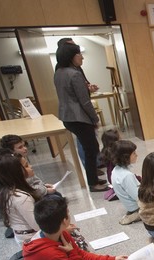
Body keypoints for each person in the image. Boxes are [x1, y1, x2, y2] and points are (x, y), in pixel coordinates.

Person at [54, 42, 107, 192]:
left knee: (89, 147)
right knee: (91, 149)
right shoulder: (75, 74)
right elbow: (84, 101)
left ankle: (93, 179)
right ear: (72, 57)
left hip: (67, 116)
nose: (82, 57)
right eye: (79, 54)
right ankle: (93, 183)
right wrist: (95, 118)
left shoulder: (59, 72)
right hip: (79, 117)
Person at [0, 154, 41, 244]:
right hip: (33, 239)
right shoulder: (21, 198)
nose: (31, 167)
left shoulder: (5, 191)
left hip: (22, 236)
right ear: (17, 172)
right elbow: (37, 225)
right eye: (26, 165)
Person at [110, 140, 142, 225]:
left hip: (130, 206)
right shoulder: (127, 176)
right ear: (126, 157)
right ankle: (137, 214)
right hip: (136, 206)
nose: (137, 155)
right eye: (134, 153)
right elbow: (138, 197)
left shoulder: (115, 170)